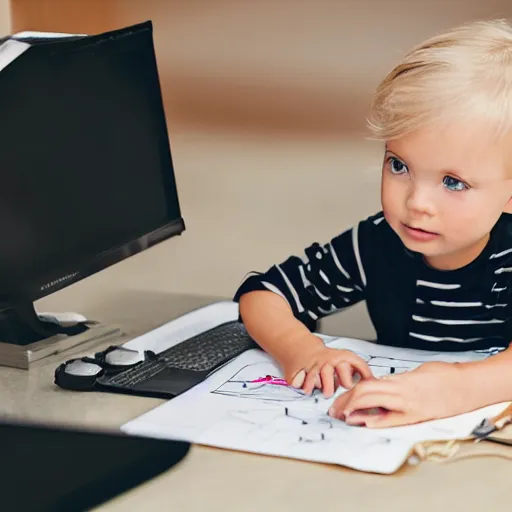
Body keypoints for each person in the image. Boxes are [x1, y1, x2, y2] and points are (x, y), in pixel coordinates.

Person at [233, 19, 512, 428]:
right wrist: (302, 349)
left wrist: (451, 387)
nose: (416, 203)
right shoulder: (378, 242)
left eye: (453, 182)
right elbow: (262, 295)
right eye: (399, 165)